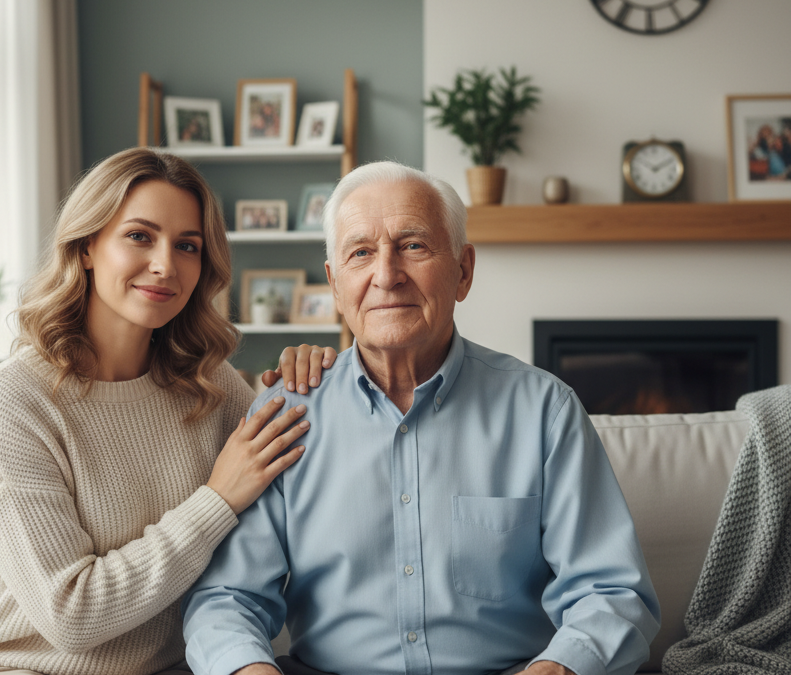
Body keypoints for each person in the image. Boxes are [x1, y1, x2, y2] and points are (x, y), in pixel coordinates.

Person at [182, 161, 661, 675]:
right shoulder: (286, 413)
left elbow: (611, 591)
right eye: (361, 252)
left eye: (413, 245)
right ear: (335, 283)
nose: (386, 275)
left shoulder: (545, 410)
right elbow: (226, 599)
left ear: (463, 270)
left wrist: (560, 669)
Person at [0, 147, 336, 675]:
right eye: (140, 236)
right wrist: (217, 500)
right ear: (88, 245)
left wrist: (319, 381)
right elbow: (71, 615)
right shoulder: (12, 400)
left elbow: (300, 496)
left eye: (187, 246)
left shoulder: (211, 386)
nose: (165, 264)